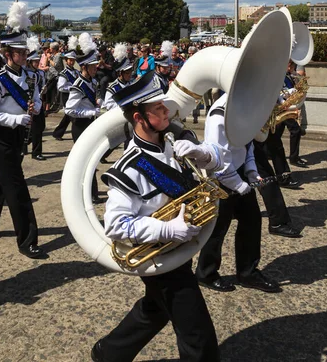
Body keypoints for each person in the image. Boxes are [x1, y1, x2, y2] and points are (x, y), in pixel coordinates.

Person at [92, 71, 224, 362]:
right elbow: (115, 225)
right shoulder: (128, 167)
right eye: (159, 109)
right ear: (139, 117)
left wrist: (203, 154)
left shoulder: (173, 140)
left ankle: (109, 353)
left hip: (179, 249)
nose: (167, 111)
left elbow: (220, 161)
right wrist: (167, 230)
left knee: (155, 310)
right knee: (197, 334)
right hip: (160, 257)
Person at [0, 3, 48, 259]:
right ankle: (27, 240)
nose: (24, 55)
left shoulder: (30, 78)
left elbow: (38, 102)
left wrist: (35, 107)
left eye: (24, 51)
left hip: (19, 135)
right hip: (0, 137)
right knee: (17, 188)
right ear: (8, 54)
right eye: (19, 52)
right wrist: (15, 120)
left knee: (3, 182)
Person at [195, 93, 282, 294]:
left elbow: (247, 145)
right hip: (222, 177)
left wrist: (251, 171)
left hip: (239, 172)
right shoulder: (220, 114)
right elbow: (219, 162)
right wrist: (238, 184)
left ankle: (248, 272)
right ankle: (206, 273)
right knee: (217, 228)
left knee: (252, 221)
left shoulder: (243, 109)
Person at [65, 33, 101, 204]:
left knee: (91, 162)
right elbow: (70, 110)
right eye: (93, 66)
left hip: (89, 125)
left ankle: (92, 193)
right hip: (80, 126)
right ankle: (87, 194)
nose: (96, 69)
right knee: (85, 163)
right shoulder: (77, 86)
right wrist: (90, 113)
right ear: (85, 67)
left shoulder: (92, 82)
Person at [52, 37, 79, 141]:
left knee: (68, 117)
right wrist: (72, 88)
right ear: (66, 61)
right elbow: (61, 87)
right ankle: (77, 137)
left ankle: (57, 133)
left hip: (73, 96)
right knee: (73, 118)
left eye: (73, 60)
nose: (72, 62)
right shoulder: (64, 73)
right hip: (67, 96)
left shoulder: (76, 72)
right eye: (70, 60)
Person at [26, 37, 47, 161]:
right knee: (34, 128)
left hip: (39, 102)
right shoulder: (27, 73)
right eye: (34, 61)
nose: (37, 62)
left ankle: (32, 144)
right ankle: (36, 152)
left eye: (38, 60)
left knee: (40, 127)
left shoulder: (41, 73)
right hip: (31, 103)